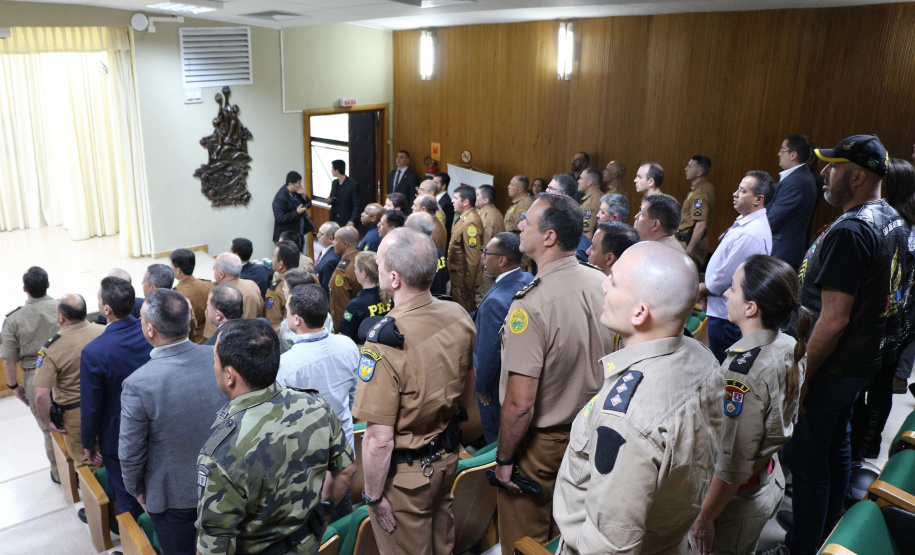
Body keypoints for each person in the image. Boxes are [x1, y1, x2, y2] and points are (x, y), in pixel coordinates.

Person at [775, 135, 909, 555]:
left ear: (857, 177)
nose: (825, 174)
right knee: (835, 446)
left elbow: (834, 318)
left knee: (807, 458)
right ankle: (824, 526)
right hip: (858, 363)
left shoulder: (852, 230)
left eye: (834, 167)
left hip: (831, 365)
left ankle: (801, 545)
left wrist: (803, 376)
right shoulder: (890, 217)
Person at [553, 242, 724, 554]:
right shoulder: (703, 358)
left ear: (640, 312)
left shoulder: (626, 419)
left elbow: (609, 547)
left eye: (614, 281)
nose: (604, 285)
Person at [494, 194, 615, 553]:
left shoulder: (531, 305)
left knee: (525, 539)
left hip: (542, 445)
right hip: (594, 432)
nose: (519, 226)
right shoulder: (600, 281)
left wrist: (504, 460)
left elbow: (520, 405)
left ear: (549, 237)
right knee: (567, 536)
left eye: (527, 222)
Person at [352, 228, 477, 555]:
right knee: (442, 546)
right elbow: (468, 384)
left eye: (379, 263)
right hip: (447, 457)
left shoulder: (384, 344)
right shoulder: (457, 314)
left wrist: (373, 497)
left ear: (394, 278)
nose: (377, 268)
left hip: (406, 480)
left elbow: (378, 440)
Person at [196, 319, 356, 554]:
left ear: (230, 375)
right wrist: (323, 512)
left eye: (215, 360)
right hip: (309, 544)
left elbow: (215, 546)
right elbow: (346, 470)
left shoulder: (221, 454)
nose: (213, 366)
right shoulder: (315, 405)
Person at [691, 255, 810, 555]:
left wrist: (705, 518)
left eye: (733, 288)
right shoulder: (789, 344)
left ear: (750, 308)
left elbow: (732, 464)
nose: (726, 294)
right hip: (767, 477)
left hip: (735, 502)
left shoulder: (742, 376)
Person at [120, 289, 227, 555]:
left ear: (150, 330)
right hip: (227, 483)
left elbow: (130, 452)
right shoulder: (218, 356)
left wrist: (137, 492)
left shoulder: (138, 384)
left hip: (173, 496)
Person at [278, 284, 360, 522]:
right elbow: (354, 397)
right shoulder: (348, 345)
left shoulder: (285, 365)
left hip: (305, 461)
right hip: (344, 451)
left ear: (296, 319)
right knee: (340, 516)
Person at [851, 158, 915, 461]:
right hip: (899, 318)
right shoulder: (905, 220)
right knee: (879, 387)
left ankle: (863, 446)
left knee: (871, 387)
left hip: (889, 318)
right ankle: (867, 443)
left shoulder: (896, 225)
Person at [81, 277, 153, 519]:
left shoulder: (94, 352)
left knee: (126, 494)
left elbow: (91, 405)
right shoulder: (150, 332)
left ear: (106, 309)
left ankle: (134, 537)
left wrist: (88, 442)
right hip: (155, 422)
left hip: (118, 434)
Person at [698, 171, 774, 363]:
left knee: (724, 366)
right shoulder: (746, 223)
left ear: (758, 199)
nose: (735, 194)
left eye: (742, 191)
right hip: (721, 308)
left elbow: (725, 278)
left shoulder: (751, 233)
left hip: (727, 315)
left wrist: (701, 290)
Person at [1, 266, 61, 482]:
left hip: (33, 378)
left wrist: (13, 386)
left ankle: (60, 474)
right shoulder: (63, 308)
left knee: (49, 429)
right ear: (48, 285)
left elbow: (9, 360)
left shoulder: (13, 319)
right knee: (74, 421)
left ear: (24, 289)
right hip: (65, 373)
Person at [474, 233, 533, 443]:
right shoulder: (528, 278)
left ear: (502, 261)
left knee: (496, 435)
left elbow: (490, 351)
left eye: (486, 253)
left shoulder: (494, 302)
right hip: (523, 372)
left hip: (497, 383)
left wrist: (482, 386)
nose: (483, 256)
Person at [33, 294, 104, 469]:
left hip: (77, 414)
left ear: (61, 317)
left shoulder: (51, 348)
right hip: (109, 404)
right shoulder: (104, 331)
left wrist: (47, 422)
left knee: (88, 464)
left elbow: (41, 395)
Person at [767, 134, 819, 269]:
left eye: (782, 150)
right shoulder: (800, 177)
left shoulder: (796, 182)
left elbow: (773, 220)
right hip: (783, 250)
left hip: (781, 252)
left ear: (793, 155)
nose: (779, 154)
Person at [203, 253, 264, 340]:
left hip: (229, 341)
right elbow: (261, 312)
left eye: (214, 268)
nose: (213, 270)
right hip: (256, 337)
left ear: (221, 274)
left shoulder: (218, 297)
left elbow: (211, 334)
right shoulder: (252, 285)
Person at [277, 270, 335, 353]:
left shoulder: (289, 325)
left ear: (293, 291)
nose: (283, 289)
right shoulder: (325, 314)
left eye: (285, 287)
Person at [339, 251, 392, 342]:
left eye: (355, 268)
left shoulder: (355, 305)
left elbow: (343, 338)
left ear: (364, 273)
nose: (354, 271)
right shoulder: (390, 295)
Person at [449, 185, 486, 313]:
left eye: (455, 198)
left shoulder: (470, 222)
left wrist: (467, 285)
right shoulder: (464, 218)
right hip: (457, 278)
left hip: (463, 282)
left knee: (464, 313)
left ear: (465, 202)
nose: (452, 201)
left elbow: (473, 258)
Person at [678, 155, 715, 269]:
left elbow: (700, 225)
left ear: (699, 172)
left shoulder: (700, 193)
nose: (685, 169)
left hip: (691, 243)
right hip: (689, 240)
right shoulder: (702, 188)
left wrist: (689, 250)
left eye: (689, 166)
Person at [170, 248, 215, 344]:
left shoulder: (177, 296)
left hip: (193, 341)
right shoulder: (210, 285)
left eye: (171, 266)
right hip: (212, 336)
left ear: (178, 270)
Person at [405, 211, 451, 296]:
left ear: (416, 231)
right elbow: (448, 284)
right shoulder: (438, 252)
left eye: (407, 229)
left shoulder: (415, 258)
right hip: (438, 302)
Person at [328, 226, 362, 329]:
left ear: (345, 244)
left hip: (348, 326)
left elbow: (340, 307)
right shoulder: (361, 259)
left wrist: (340, 331)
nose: (332, 242)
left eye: (335, 239)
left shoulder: (342, 271)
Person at [272, 170, 313, 250]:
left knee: (299, 255)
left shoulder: (297, 193)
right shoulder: (280, 197)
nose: (300, 186)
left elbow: (308, 205)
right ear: (290, 184)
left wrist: (304, 196)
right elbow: (280, 218)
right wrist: (297, 212)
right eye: (298, 184)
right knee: (290, 257)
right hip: (287, 237)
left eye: (300, 184)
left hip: (299, 233)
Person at [265, 241, 300, 331]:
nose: (272, 259)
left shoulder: (275, 289)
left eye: (273, 256)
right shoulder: (311, 278)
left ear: (281, 264)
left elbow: (274, 326)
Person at [328, 159, 360, 228]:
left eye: (332, 169)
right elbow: (332, 196)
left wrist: (352, 220)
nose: (331, 171)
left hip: (346, 219)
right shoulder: (334, 183)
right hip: (334, 218)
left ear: (337, 170)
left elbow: (357, 205)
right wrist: (329, 200)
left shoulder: (353, 185)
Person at [315, 222, 342, 292]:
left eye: (321, 234)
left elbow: (327, 289)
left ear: (330, 238)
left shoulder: (331, 261)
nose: (317, 235)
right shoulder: (327, 251)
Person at [578, 167, 603, 239]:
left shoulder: (589, 202)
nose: (578, 181)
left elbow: (587, 234)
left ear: (589, 182)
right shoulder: (600, 195)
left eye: (581, 178)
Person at [433, 171, 456, 236]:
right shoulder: (435, 198)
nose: (433, 185)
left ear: (443, 186)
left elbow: (444, 226)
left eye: (435, 183)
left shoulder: (446, 203)